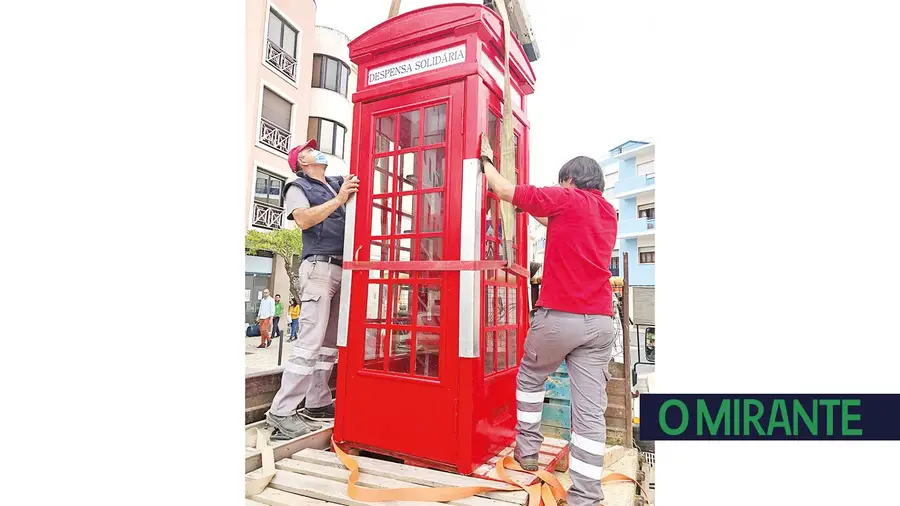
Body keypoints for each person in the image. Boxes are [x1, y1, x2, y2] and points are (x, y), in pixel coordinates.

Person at [479, 135, 617, 506]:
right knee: (589, 412)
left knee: (529, 376)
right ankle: (586, 496)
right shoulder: (607, 212)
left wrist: (486, 161)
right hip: (601, 322)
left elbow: (502, 189)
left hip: (561, 317)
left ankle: (527, 453)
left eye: (561, 184)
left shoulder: (566, 198)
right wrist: (528, 202)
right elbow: (549, 216)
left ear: (570, 181)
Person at [265, 139, 359, 439]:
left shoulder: (334, 182)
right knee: (308, 343)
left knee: (328, 345)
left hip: (344, 267)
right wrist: (339, 200)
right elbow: (304, 221)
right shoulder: (297, 187)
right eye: (309, 149)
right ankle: (281, 411)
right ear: (301, 162)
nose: (317, 150)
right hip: (318, 267)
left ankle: (317, 402)